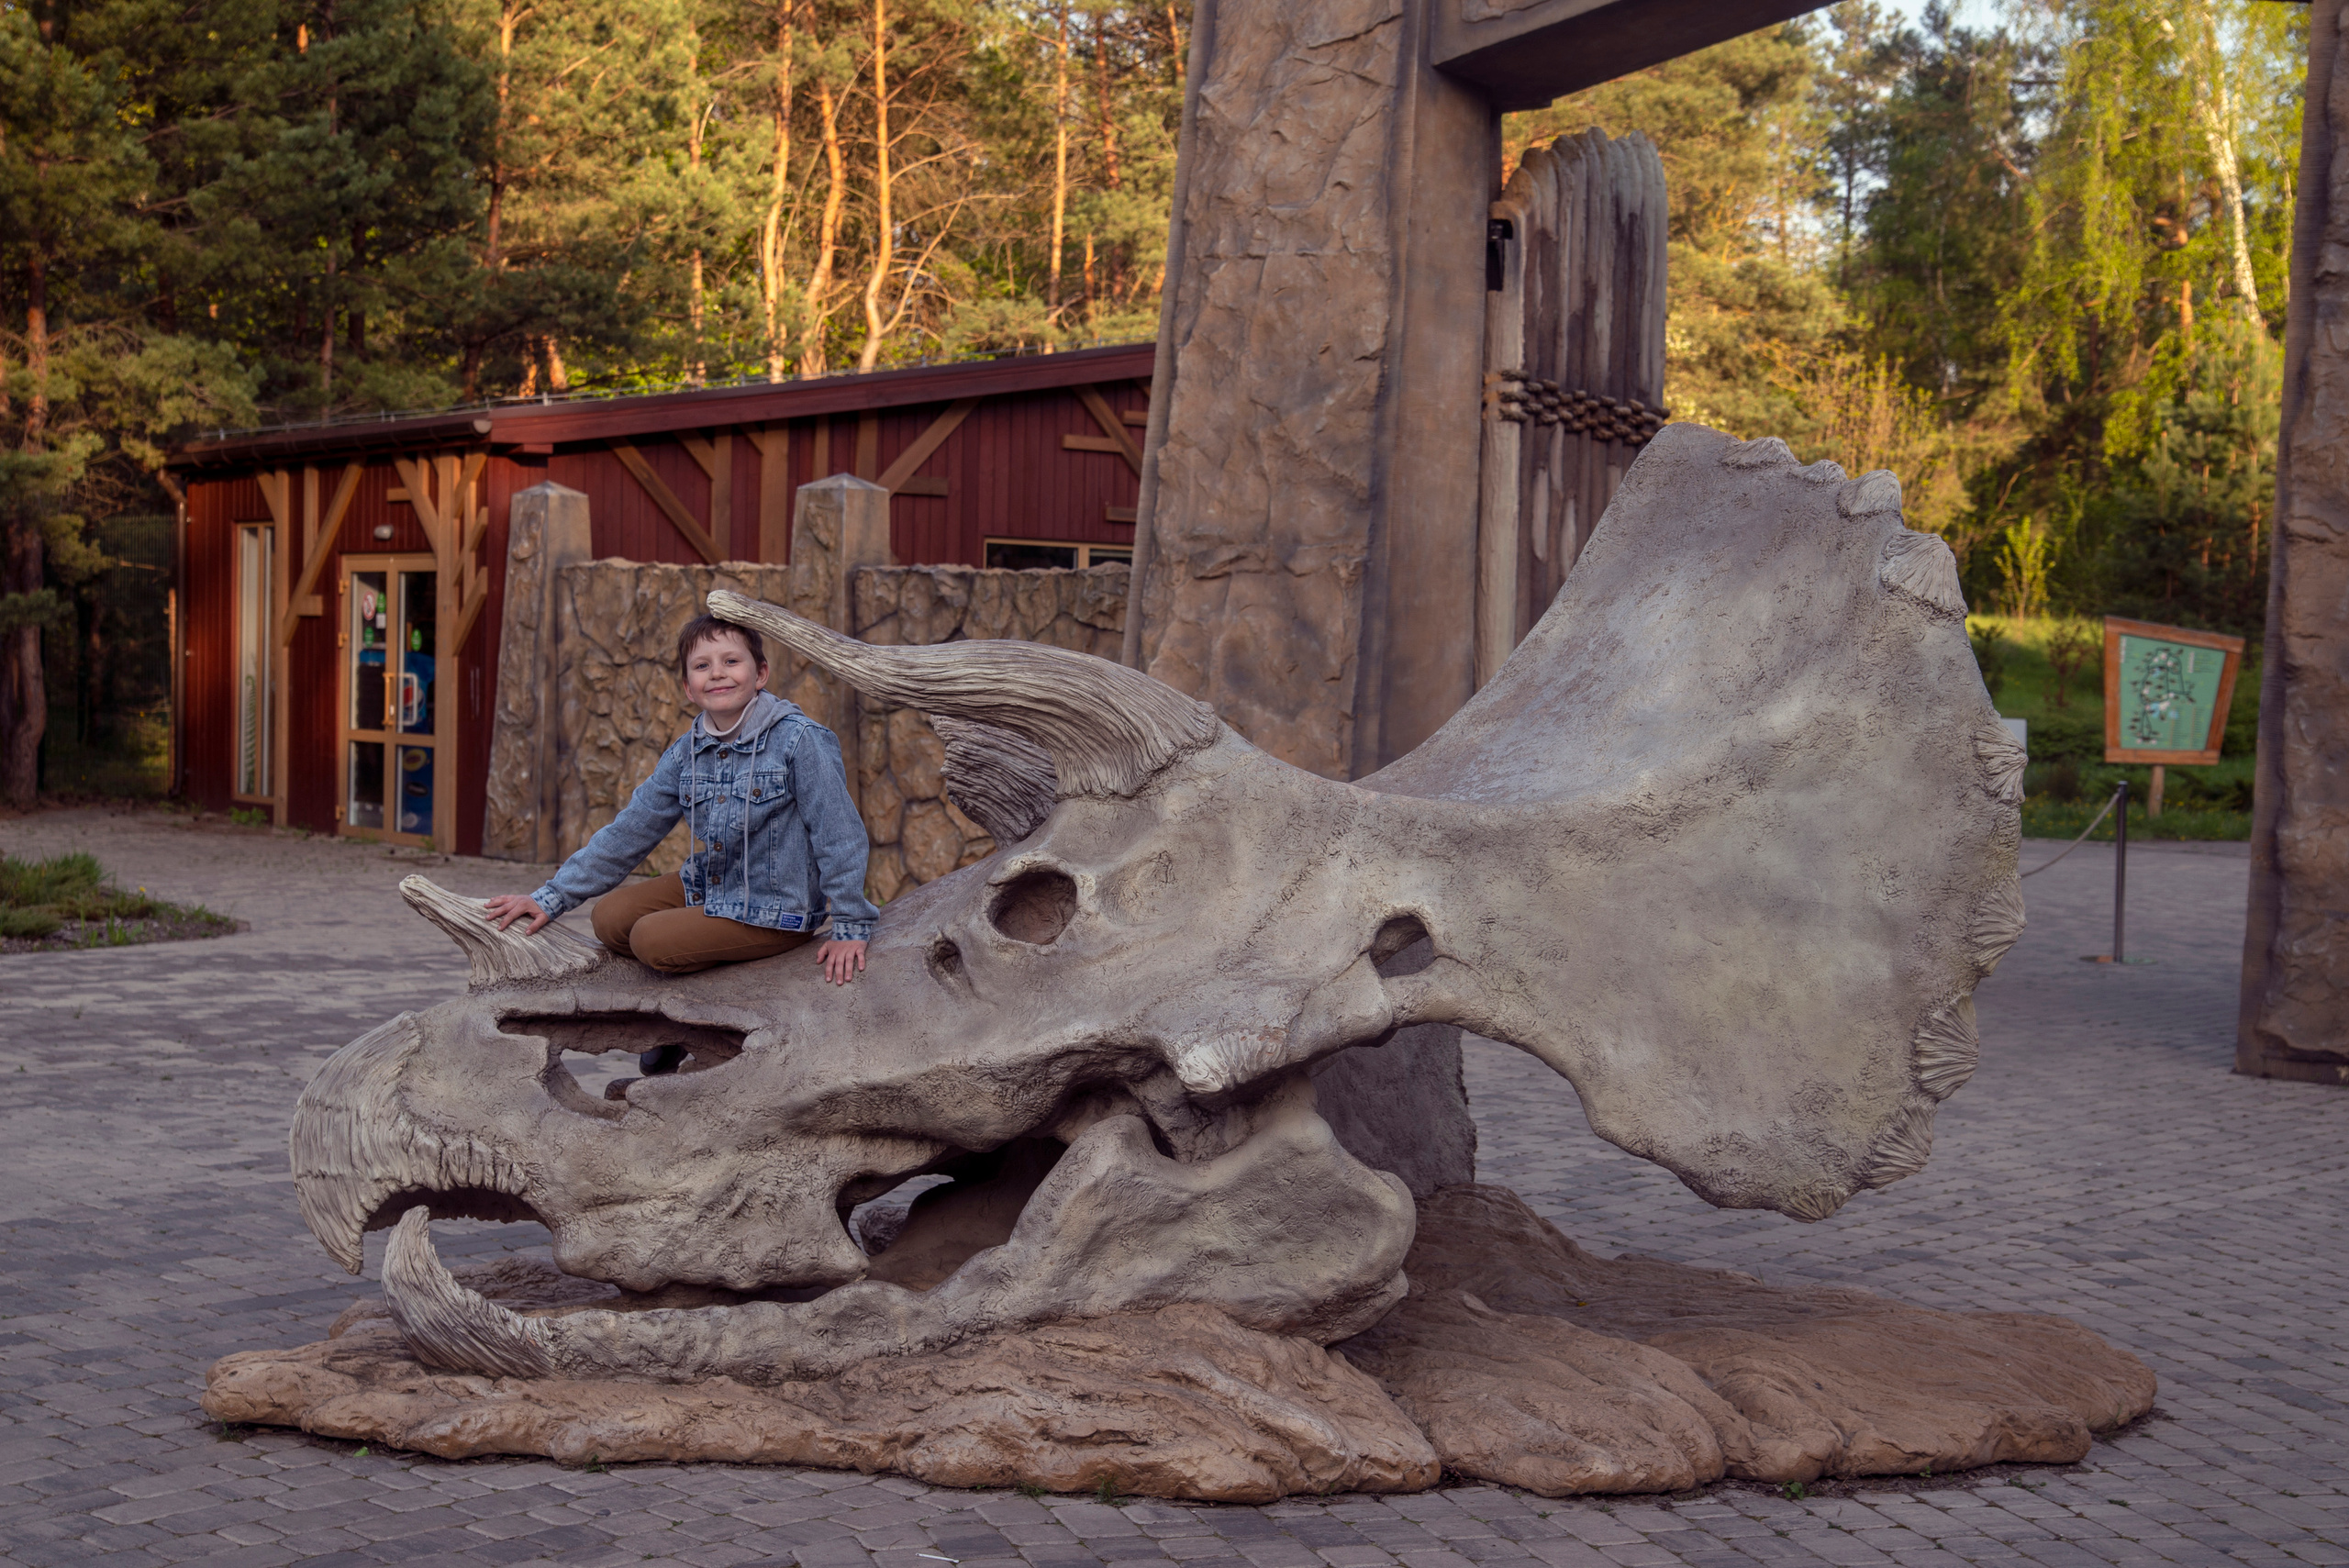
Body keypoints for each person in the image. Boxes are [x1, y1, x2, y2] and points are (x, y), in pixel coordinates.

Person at [484, 614, 876, 990]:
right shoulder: (686, 753)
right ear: (689, 687)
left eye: (731, 661)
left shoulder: (799, 740)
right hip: (714, 886)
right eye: (702, 666)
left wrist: (849, 927)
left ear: (760, 674)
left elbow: (838, 834)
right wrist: (549, 898)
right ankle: (683, 987)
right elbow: (630, 831)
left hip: (776, 909)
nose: (718, 673)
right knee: (609, 918)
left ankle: (683, 1013)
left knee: (651, 940)